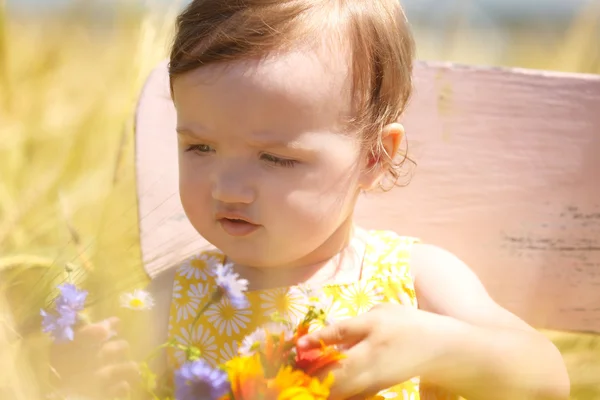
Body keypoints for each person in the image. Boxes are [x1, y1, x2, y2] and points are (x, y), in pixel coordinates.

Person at [51, 0, 570, 399]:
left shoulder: (412, 280)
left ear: (373, 157)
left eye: (275, 159)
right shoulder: (179, 297)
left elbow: (549, 380)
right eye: (200, 147)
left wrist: (438, 346)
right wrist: (95, 376)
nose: (228, 187)